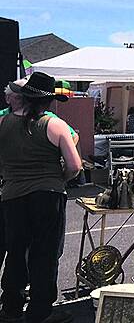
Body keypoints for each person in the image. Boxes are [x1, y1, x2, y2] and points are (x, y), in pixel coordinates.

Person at [0, 72, 82, 323]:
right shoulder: (54, 124)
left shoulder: (3, 123)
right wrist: (61, 179)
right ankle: (40, 312)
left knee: (15, 251)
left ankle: (11, 307)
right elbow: (75, 165)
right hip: (48, 194)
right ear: (46, 101)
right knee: (44, 253)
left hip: (12, 194)